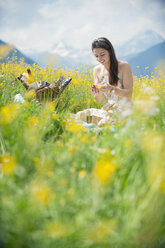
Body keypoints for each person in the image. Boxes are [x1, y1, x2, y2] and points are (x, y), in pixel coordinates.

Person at [75, 37, 133, 126]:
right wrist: (98, 92)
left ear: (110, 52)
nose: (99, 59)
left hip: (124, 109)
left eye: (102, 54)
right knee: (80, 116)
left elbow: (129, 94)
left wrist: (111, 89)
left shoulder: (123, 66)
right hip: (107, 110)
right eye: (96, 56)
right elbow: (99, 101)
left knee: (103, 123)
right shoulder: (96, 70)